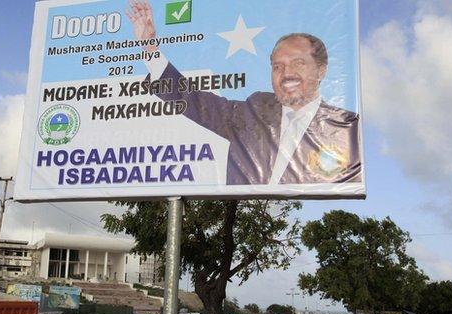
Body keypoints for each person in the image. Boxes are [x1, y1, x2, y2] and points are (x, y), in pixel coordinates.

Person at [127, 0, 362, 186]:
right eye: (277, 66)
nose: (286, 73)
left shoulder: (344, 127)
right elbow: (196, 103)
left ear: (321, 70)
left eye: (298, 63)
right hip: (243, 220)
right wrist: (150, 50)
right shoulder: (256, 107)